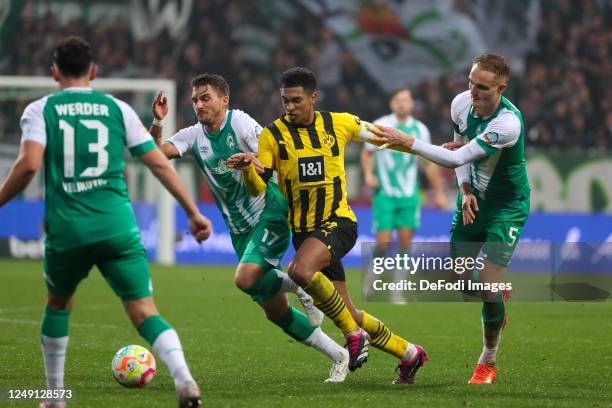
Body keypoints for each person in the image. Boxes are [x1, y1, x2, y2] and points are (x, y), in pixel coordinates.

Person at [0, 37, 212, 407]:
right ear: (94, 72)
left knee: (57, 305)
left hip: (68, 230)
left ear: (54, 72)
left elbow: (29, 164)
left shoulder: (40, 110)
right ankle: (186, 381)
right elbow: (158, 163)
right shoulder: (117, 109)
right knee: (146, 311)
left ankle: (54, 397)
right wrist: (192, 211)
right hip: (117, 226)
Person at [228, 67, 428, 384]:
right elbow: (258, 186)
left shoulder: (339, 123)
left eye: (295, 100)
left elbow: (384, 137)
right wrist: (248, 169)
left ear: (313, 97)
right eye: (284, 101)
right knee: (348, 310)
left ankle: (353, 335)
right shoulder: (272, 135)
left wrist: (431, 151)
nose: (289, 107)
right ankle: (410, 353)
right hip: (305, 235)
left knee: (298, 271)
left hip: (339, 223)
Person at [149, 73, 351, 382]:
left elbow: (273, 155)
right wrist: (159, 123)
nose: (199, 105)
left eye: (205, 98)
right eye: (194, 100)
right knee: (276, 312)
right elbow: (155, 154)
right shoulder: (193, 135)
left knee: (244, 278)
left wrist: (251, 160)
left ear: (224, 100)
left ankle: (300, 286)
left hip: (270, 211)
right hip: (239, 230)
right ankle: (339, 354)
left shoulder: (240, 123)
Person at [369, 53, 530, 384]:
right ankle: (497, 292)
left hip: (507, 205)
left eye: (482, 87)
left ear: (501, 87)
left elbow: (456, 154)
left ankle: (487, 360)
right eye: (471, 82)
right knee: (460, 279)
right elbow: (460, 159)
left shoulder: (508, 123)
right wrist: (466, 186)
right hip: (472, 199)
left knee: (486, 281)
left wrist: (409, 143)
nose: (473, 91)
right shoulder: (460, 104)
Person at [361, 88, 447, 302]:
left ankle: (396, 290)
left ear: (411, 104)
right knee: (383, 244)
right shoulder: (381, 125)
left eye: (406, 100)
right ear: (392, 103)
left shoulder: (420, 129)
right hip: (385, 194)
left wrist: (438, 193)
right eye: (398, 100)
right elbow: (366, 152)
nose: (402, 104)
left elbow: (428, 163)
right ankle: (372, 276)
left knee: (405, 245)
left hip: (410, 195)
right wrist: (369, 174)